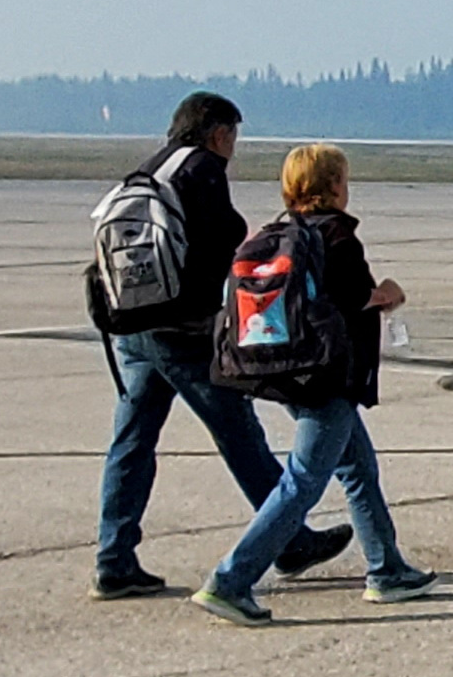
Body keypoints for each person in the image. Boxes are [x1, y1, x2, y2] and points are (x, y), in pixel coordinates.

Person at [89, 93, 349, 600]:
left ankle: (114, 558)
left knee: (132, 440)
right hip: (180, 331)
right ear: (218, 133)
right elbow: (224, 237)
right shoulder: (202, 169)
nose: (233, 146)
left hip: (131, 326)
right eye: (233, 135)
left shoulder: (147, 171)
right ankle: (290, 540)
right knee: (238, 432)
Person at [190, 144, 434, 624]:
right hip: (327, 377)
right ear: (332, 185)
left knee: (359, 468)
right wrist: (390, 292)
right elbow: (359, 298)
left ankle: (386, 569)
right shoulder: (337, 235)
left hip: (287, 371)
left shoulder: (275, 234)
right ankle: (231, 580)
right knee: (304, 481)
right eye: (343, 178)